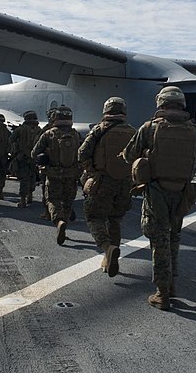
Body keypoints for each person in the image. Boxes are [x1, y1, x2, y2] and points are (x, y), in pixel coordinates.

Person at [121, 86, 196, 310]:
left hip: (156, 192)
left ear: (160, 104)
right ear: (182, 104)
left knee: (159, 240)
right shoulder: (194, 131)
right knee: (174, 237)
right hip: (182, 192)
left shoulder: (149, 128)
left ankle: (162, 293)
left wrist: (145, 156)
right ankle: (171, 284)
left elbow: (128, 155)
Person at [78, 97, 136, 277]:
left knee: (94, 216)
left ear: (106, 111)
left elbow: (82, 154)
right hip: (125, 183)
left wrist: (92, 170)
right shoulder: (133, 132)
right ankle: (111, 257)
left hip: (102, 181)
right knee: (115, 220)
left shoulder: (99, 130)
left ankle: (106, 247)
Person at [32, 105, 82, 245]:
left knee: (53, 200)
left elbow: (34, 153)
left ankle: (58, 221)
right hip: (71, 175)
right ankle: (64, 223)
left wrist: (44, 160)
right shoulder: (75, 134)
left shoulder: (49, 134)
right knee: (67, 202)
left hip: (53, 174)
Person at [9, 110, 42, 207]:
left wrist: (15, 150)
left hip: (23, 157)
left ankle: (23, 200)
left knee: (24, 178)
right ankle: (30, 196)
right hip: (35, 158)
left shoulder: (20, 129)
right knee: (32, 176)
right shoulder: (39, 130)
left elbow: (11, 139)